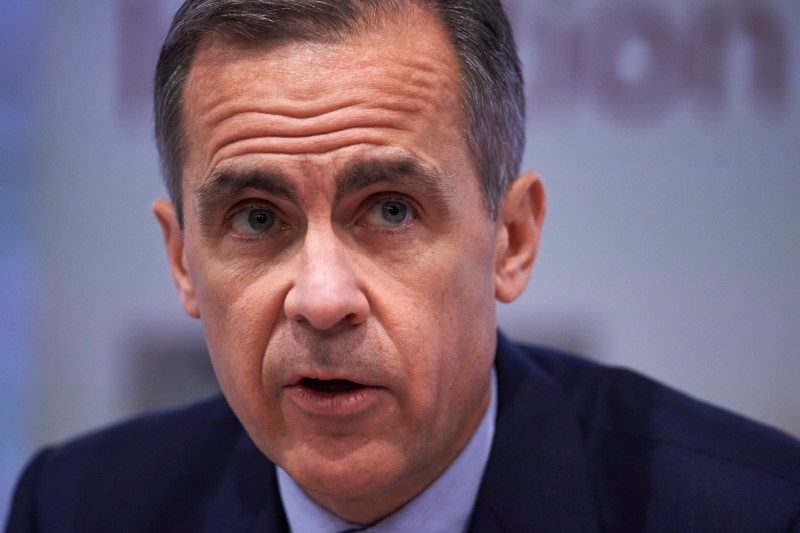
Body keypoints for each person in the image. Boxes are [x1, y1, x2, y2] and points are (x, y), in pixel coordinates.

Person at [6, 0, 800, 531]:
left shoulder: (754, 509)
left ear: (512, 239)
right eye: (256, 217)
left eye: (390, 209)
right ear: (183, 261)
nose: (321, 299)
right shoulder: (78, 507)